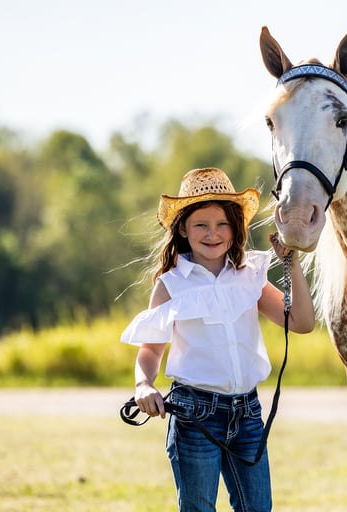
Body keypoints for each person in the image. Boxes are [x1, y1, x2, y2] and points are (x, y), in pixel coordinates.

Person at [120, 167, 315, 512]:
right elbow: (151, 350)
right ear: (183, 228)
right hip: (195, 416)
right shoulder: (171, 284)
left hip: (248, 415)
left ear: (235, 227)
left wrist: (291, 265)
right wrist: (144, 385)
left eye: (222, 224)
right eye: (201, 225)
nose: (213, 233)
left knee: (258, 507)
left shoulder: (249, 274)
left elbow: (302, 322)